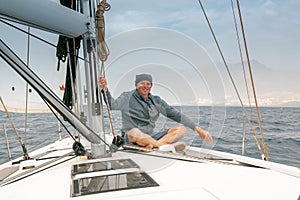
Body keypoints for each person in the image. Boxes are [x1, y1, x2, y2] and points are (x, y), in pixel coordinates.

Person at [98, 73, 213, 151]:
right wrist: (105, 90)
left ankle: (153, 146)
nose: (145, 86)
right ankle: (162, 146)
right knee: (134, 131)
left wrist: (199, 130)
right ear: (136, 85)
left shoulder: (156, 100)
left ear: (151, 86)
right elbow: (112, 105)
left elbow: (175, 114)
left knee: (182, 129)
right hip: (131, 138)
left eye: (148, 83)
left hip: (150, 137)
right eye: (142, 83)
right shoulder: (127, 96)